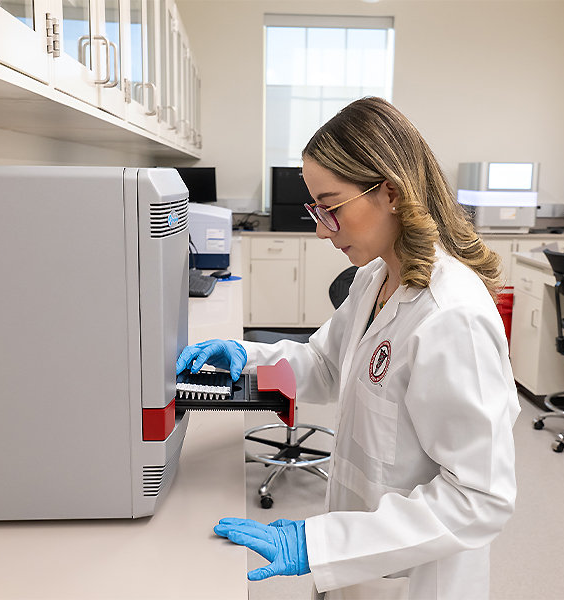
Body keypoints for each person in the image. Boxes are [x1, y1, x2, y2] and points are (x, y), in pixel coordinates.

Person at [176, 97, 520, 600]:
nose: (320, 228)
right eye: (316, 209)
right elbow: (325, 364)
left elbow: (480, 498)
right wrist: (246, 356)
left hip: (416, 579)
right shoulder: (376, 277)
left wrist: (320, 545)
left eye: (331, 207)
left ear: (391, 193)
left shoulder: (452, 318)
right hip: (359, 560)